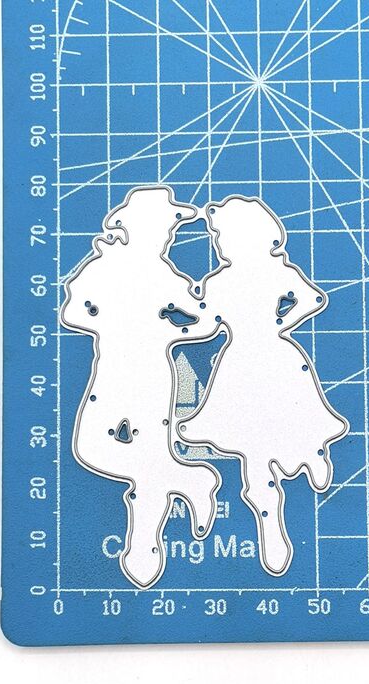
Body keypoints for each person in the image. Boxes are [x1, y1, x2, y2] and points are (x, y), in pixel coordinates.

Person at [177, 196, 348, 576]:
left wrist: (277, 322)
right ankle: (270, 521)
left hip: (268, 357)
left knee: (289, 413)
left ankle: (312, 455)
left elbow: (311, 299)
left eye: (219, 235)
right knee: (252, 439)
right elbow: (205, 323)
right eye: (216, 236)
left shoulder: (267, 273)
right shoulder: (221, 281)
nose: (218, 242)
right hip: (243, 363)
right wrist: (174, 322)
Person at [61, 186, 221, 589]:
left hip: (151, 378)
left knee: (148, 459)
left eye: (170, 229)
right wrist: (109, 320)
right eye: (166, 226)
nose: (168, 235)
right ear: (135, 226)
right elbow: (74, 311)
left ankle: (143, 549)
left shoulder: (167, 277)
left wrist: (165, 328)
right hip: (112, 373)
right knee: (90, 446)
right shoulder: (103, 265)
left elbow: (204, 321)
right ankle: (191, 481)